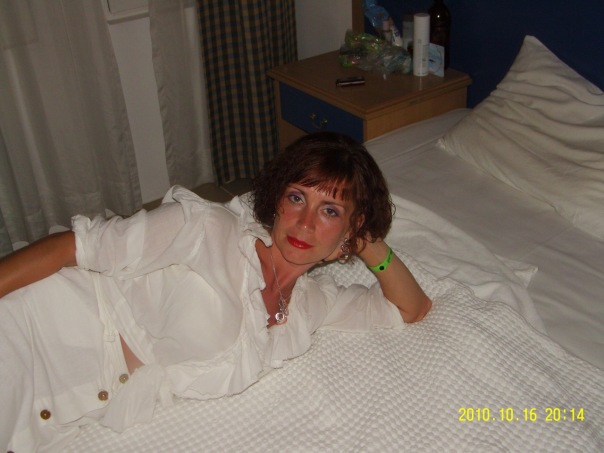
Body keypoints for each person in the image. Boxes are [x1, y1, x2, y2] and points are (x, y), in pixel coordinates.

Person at [0, 132, 431, 451]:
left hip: (63, 404)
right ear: (277, 200)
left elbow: (411, 308)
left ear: (350, 229)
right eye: (297, 198)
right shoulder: (208, 230)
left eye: (330, 210)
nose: (305, 222)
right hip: (35, 331)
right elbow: (72, 248)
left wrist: (368, 242)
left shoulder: (310, 306)